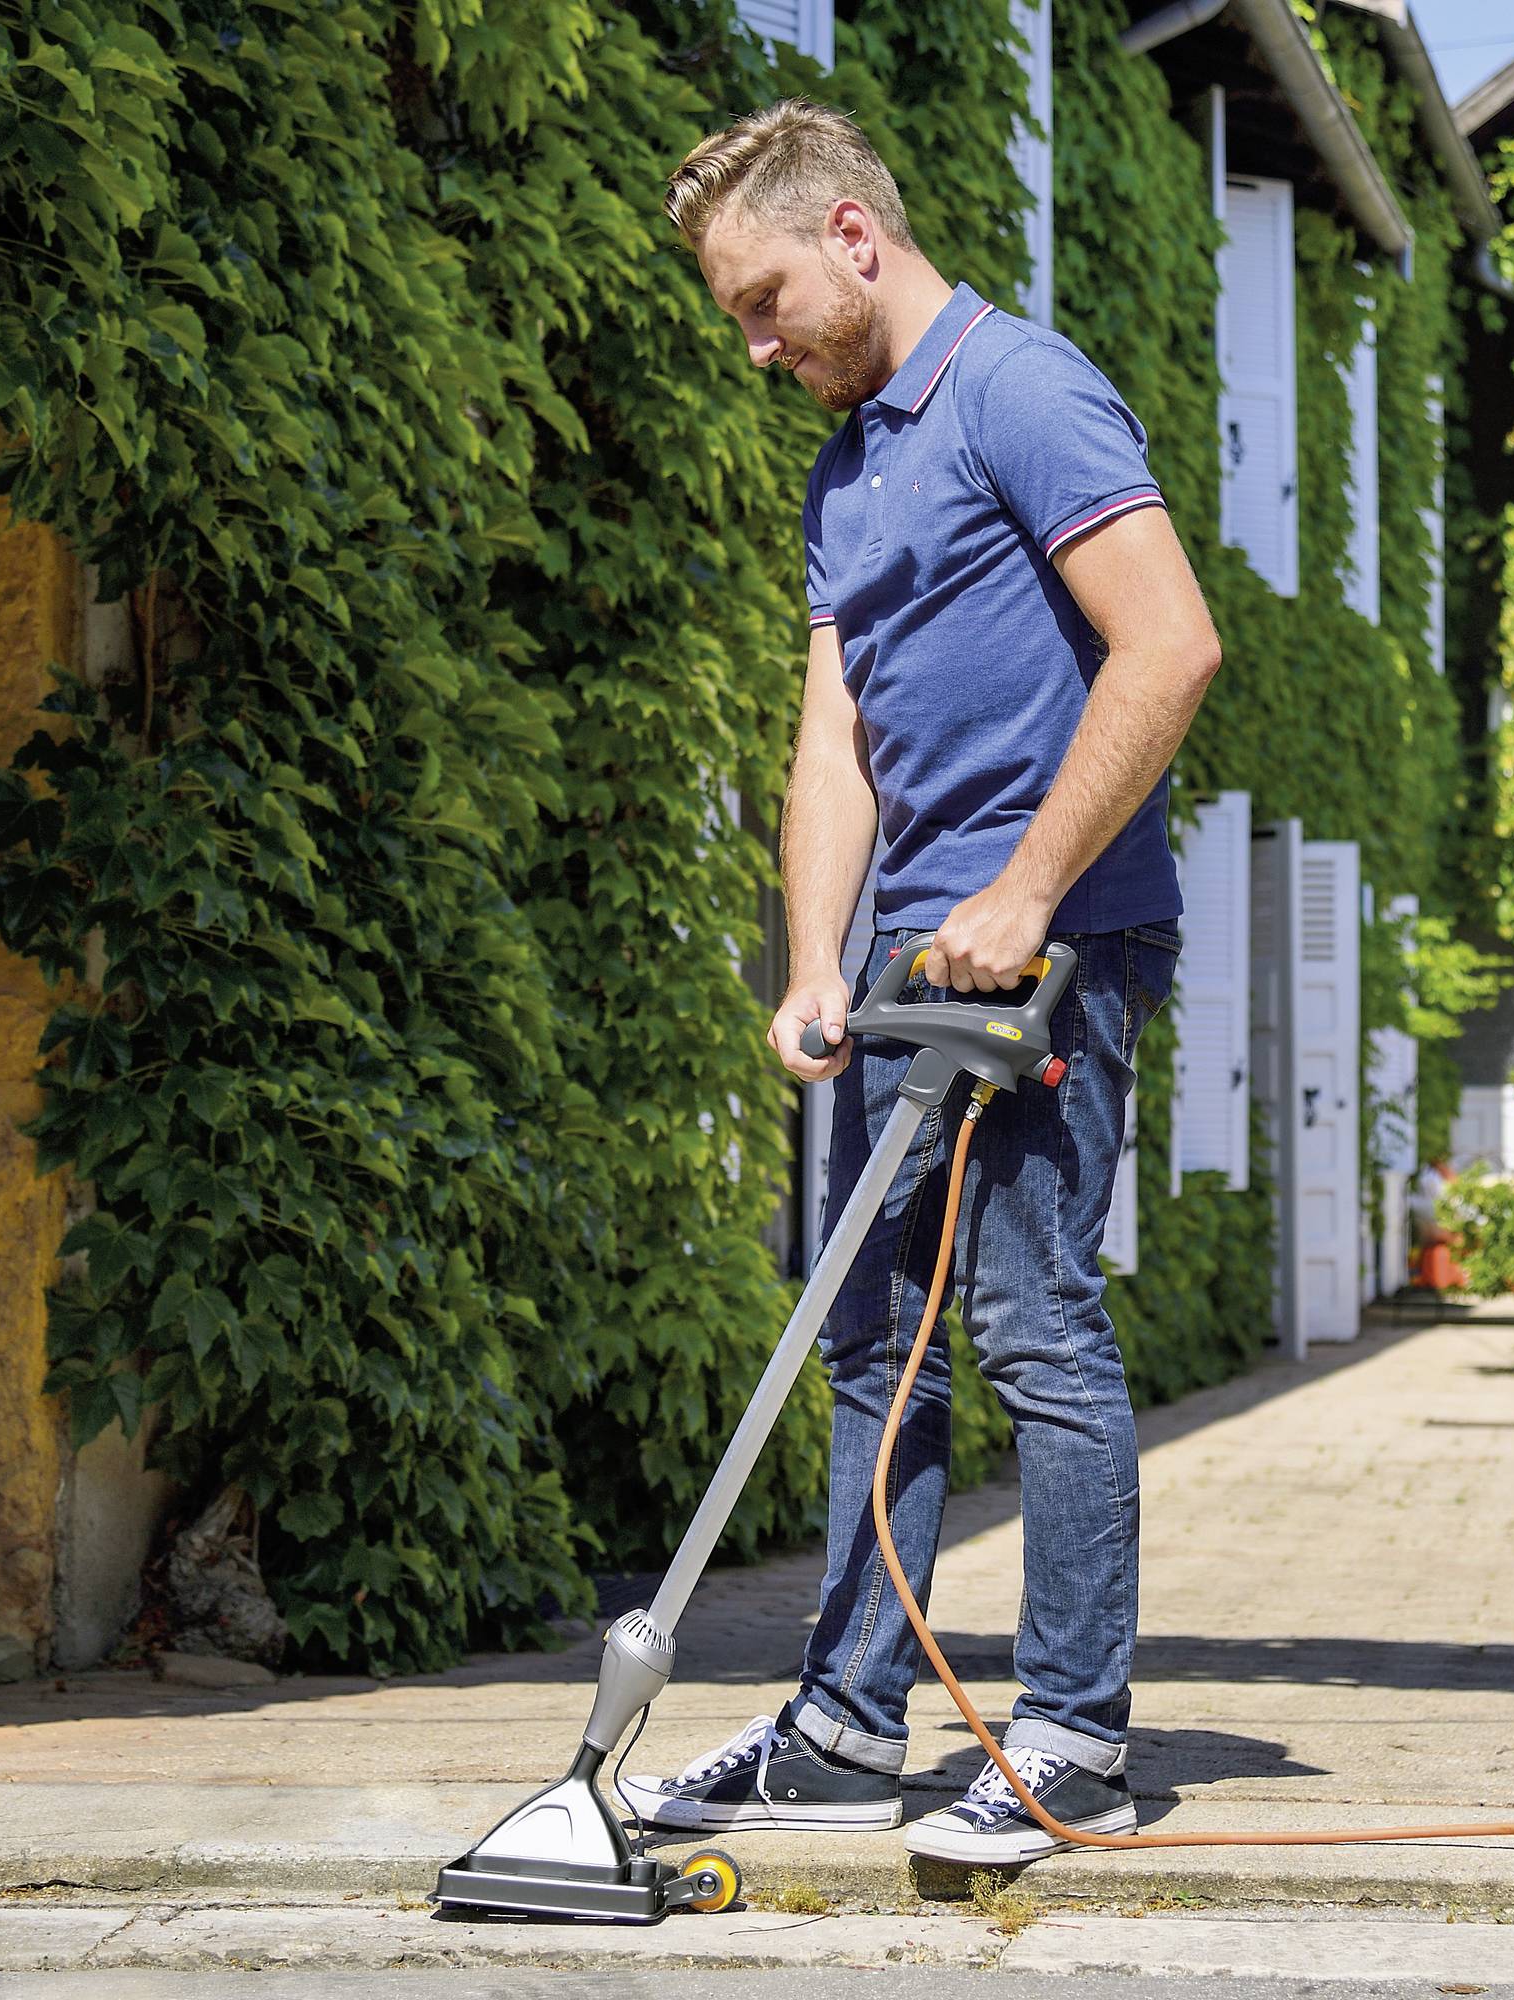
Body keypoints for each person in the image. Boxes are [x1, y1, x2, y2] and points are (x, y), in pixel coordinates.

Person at [617, 99, 1222, 1867]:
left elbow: (1170, 642)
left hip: (1056, 947)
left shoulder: (1019, 393)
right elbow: (837, 742)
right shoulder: (853, 461)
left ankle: (1072, 1737)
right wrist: (815, 960)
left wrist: (1028, 889)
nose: (753, 342)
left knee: (1035, 1324)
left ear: (854, 241)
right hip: (899, 965)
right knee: (871, 1343)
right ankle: (841, 1723)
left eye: (762, 297)